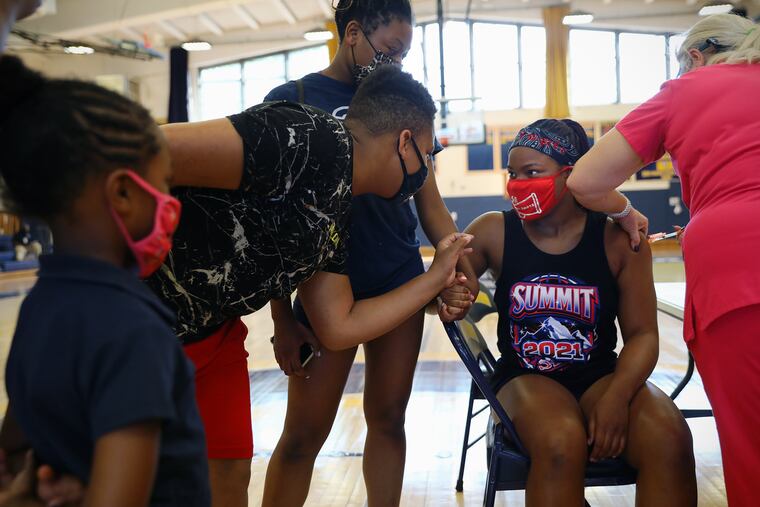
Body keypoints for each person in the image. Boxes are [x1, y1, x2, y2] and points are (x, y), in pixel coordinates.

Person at [145, 65, 471, 507]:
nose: (426, 171)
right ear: (404, 142)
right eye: (427, 155)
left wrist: (436, 278)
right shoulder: (306, 134)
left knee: (228, 475)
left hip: (214, 329)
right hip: (143, 323)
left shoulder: (338, 207)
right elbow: (149, 150)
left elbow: (337, 326)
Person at [260, 1, 472, 505]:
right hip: (321, 292)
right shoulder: (294, 99)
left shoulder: (403, 99)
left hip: (398, 279)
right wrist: (281, 320)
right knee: (302, 435)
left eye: (404, 54)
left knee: (389, 418)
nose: (395, 63)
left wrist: (457, 264)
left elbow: (431, 202)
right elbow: (273, 227)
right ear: (352, 33)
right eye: (390, 50)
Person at [441, 119, 697, 506]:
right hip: (524, 379)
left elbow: (643, 335)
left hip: (600, 376)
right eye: (513, 173)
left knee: (669, 435)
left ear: (572, 175)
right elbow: (443, 289)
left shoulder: (618, 240)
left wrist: (617, 396)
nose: (518, 184)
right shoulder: (494, 230)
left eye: (532, 172)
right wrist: (452, 293)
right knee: (561, 438)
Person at [565, 13, 760, 506]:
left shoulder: (686, 90)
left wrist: (627, 210)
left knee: (751, 441)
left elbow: (585, 181)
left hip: (737, 265)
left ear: (694, 58)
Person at [0, 55, 211, 506]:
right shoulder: (133, 331)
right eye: (164, 184)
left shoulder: (39, 307)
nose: (170, 201)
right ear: (121, 192)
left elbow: (14, 447)